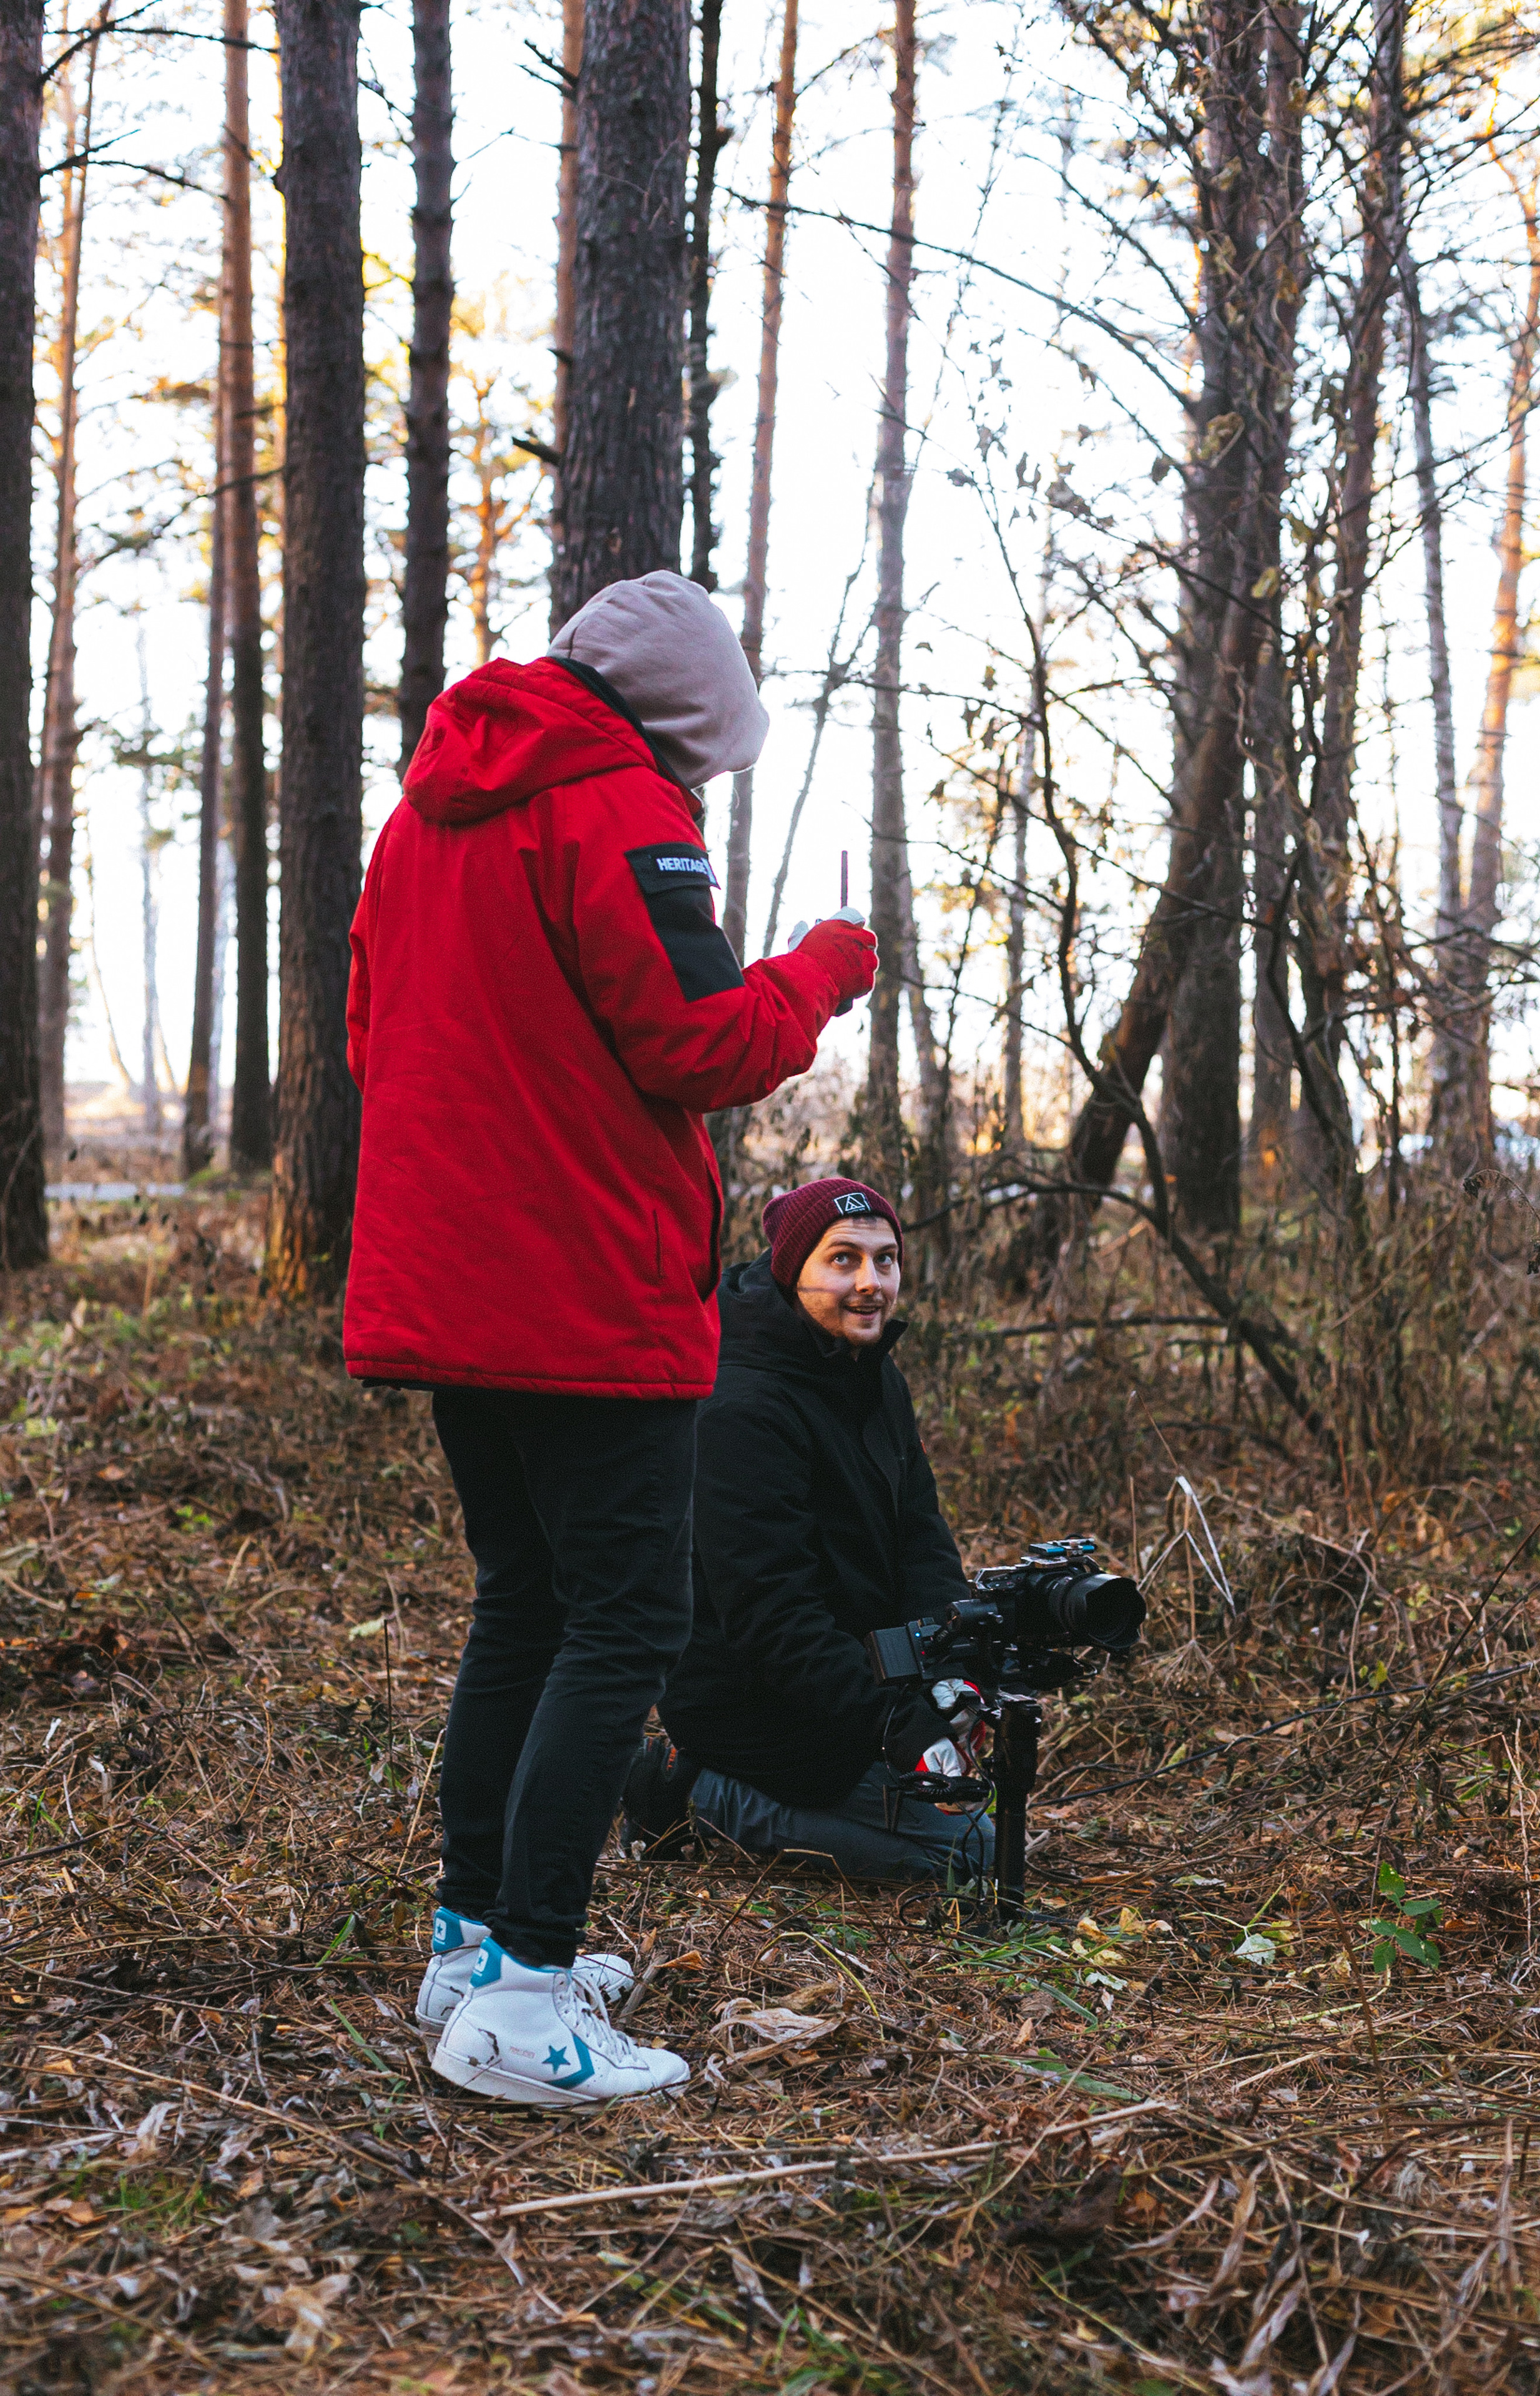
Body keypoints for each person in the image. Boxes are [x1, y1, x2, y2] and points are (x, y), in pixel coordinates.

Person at [341, 573, 878, 2107]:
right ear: (684, 721)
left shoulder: (427, 810)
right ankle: (522, 2000)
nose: (706, 776)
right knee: (624, 1622)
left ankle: (471, 1945)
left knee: (524, 1602)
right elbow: (704, 1043)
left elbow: (374, 1037)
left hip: (456, 1286)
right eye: (711, 748)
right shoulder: (621, 806)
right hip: (583, 1292)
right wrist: (825, 965)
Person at [626, 1177, 996, 1887]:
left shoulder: (872, 1373)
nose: (870, 1283)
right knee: (965, 1855)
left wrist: (951, 1668)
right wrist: (894, 1721)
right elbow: (772, 1616)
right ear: (792, 1268)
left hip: (852, 1676)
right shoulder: (742, 1405)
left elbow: (922, 1538)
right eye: (843, 1259)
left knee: (979, 1807)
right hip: (752, 1701)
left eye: (885, 1260)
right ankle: (693, 1792)